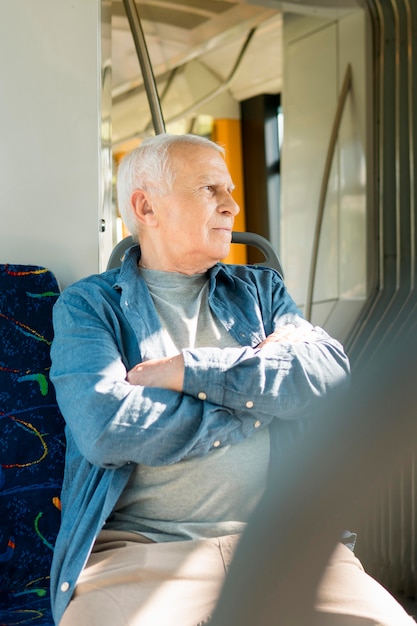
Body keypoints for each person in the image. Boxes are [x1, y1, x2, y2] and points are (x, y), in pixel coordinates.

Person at [49, 133, 415, 626]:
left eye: (231, 190)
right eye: (210, 190)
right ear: (146, 207)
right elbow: (105, 428)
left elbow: (329, 378)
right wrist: (261, 401)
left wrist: (191, 372)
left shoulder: (261, 291)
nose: (233, 206)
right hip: (140, 553)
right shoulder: (90, 307)